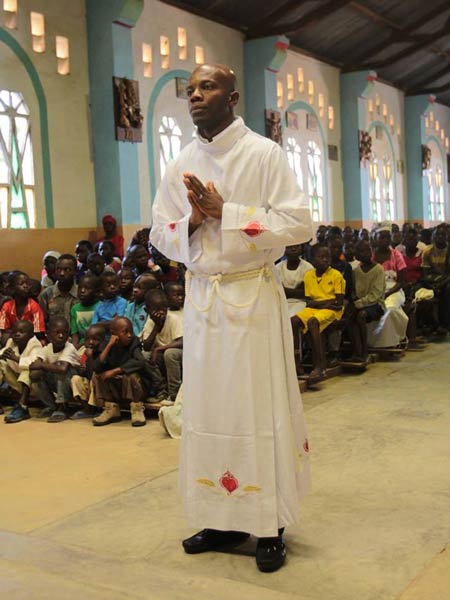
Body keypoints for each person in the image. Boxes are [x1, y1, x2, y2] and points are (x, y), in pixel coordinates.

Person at [150, 63, 313, 572]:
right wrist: (194, 219)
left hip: (250, 300)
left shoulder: (264, 154)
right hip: (202, 303)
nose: (196, 95)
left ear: (233, 96)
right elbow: (159, 232)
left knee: (256, 410)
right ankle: (221, 518)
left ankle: (269, 524)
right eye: (191, 89)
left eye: (208, 87)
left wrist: (230, 212)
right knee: (210, 412)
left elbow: (300, 222)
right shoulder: (179, 163)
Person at [291, 245, 345, 384]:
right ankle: (296, 362)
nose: (325, 260)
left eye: (328, 257)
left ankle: (319, 366)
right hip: (319, 308)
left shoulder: (336, 275)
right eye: (321, 257)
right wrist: (325, 303)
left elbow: (338, 302)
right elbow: (309, 302)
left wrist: (321, 304)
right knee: (294, 321)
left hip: (333, 311)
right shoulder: (309, 275)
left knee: (313, 322)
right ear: (312, 259)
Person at [91, 317, 149, 427]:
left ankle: (137, 409)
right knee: (98, 375)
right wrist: (109, 346)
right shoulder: (105, 344)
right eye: (125, 332)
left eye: (131, 331)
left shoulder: (134, 342)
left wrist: (115, 371)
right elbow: (96, 366)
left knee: (132, 376)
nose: (129, 335)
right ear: (114, 334)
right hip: (117, 388)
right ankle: (111, 409)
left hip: (136, 389)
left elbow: (139, 361)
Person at [29, 317, 80, 422]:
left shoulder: (69, 348)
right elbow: (33, 365)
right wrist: (43, 366)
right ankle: (51, 406)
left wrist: (43, 365)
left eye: (64, 333)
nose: (61, 336)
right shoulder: (47, 348)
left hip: (73, 386)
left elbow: (62, 368)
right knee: (35, 374)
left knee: (62, 370)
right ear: (48, 334)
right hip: (56, 383)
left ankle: (62, 406)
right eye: (57, 332)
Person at [368, 227, 408, 348]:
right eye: (382, 238)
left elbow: (401, 281)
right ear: (376, 239)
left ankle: (393, 341)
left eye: (387, 238)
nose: (385, 240)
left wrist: (388, 293)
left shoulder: (396, 255)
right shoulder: (371, 256)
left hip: (394, 290)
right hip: (375, 291)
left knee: (390, 309)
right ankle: (374, 342)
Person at [141, 289, 183, 403]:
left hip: (178, 355)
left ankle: (174, 393)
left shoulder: (173, 319)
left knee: (170, 353)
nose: (161, 313)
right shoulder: (151, 321)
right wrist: (156, 326)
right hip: (161, 356)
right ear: (147, 310)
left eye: (163, 308)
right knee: (144, 356)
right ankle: (161, 389)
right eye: (156, 309)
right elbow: (146, 346)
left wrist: (159, 348)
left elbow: (182, 341)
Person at [347, 241, 385, 362]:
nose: (366, 253)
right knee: (349, 316)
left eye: (367, 250)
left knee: (361, 315)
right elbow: (354, 290)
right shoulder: (355, 271)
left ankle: (364, 351)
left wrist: (358, 304)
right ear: (356, 256)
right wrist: (354, 301)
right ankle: (356, 351)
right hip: (361, 304)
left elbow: (375, 295)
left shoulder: (378, 269)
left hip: (376, 305)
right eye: (361, 251)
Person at [1, 321, 45, 422]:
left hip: (34, 387)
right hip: (17, 382)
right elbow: (3, 352)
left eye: (21, 332)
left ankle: (22, 407)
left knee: (28, 370)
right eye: (14, 331)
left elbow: (34, 364)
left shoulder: (35, 344)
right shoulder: (11, 341)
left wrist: (15, 358)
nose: (17, 334)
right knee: (1, 364)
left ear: (31, 334)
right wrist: (3, 354)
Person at [70, 324, 106, 420]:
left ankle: (99, 409)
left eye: (95, 339)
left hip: (101, 387)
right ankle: (87, 409)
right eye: (87, 339)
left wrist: (90, 357)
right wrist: (81, 371)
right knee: (76, 379)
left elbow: (97, 369)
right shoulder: (84, 352)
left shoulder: (103, 352)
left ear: (102, 340)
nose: (90, 342)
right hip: (89, 383)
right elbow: (86, 373)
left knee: (95, 377)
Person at [0, 271, 46, 347]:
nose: (25, 286)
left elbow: (39, 332)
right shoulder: (7, 306)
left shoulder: (34, 306)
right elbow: (3, 329)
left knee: (41, 343)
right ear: (12, 288)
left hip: (31, 339)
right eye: (21, 284)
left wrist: (23, 335)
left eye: (27, 283)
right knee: (5, 338)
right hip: (13, 338)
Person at [421, 224, 450, 331]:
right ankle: (429, 323)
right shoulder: (428, 251)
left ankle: (445, 323)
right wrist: (432, 286)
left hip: (446, 280)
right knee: (422, 289)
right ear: (433, 236)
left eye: (443, 234)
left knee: (447, 290)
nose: (440, 237)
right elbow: (424, 274)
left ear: (447, 236)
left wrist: (439, 285)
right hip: (432, 280)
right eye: (438, 234)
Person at [39, 254, 79, 326]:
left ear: (76, 271)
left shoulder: (81, 293)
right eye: (58, 269)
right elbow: (42, 322)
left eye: (67, 270)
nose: (62, 273)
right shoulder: (47, 294)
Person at [276, 244, 313, 317]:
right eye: (290, 246)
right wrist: (297, 291)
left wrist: (286, 291)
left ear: (302, 248)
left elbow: (307, 293)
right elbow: (277, 292)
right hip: (281, 302)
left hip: (301, 302)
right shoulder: (278, 268)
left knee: (292, 318)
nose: (293, 249)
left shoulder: (308, 268)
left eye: (297, 246)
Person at [70, 274, 100, 349]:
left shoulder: (101, 307)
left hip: (96, 345)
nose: (82, 291)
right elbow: (75, 333)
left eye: (87, 288)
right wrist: (74, 347)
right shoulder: (75, 308)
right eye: (80, 288)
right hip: (81, 346)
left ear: (96, 291)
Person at [125, 272, 160, 336]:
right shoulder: (130, 305)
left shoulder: (151, 309)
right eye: (134, 287)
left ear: (150, 290)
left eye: (140, 288)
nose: (135, 290)